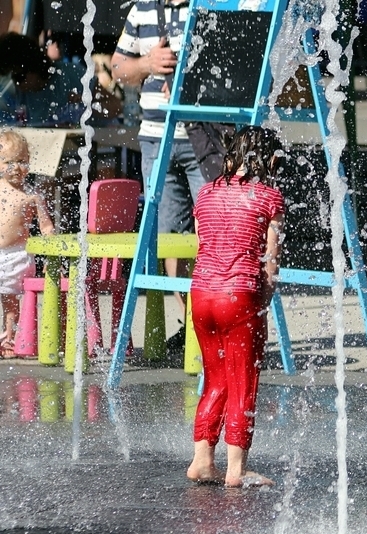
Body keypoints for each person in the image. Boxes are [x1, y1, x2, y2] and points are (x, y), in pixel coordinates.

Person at [185, 126, 284, 488]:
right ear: (270, 160)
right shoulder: (270, 197)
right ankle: (236, 470)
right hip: (239, 296)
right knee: (243, 382)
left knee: (215, 378)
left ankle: (201, 461)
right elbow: (270, 259)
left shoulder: (206, 193)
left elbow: (203, 243)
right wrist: (265, 296)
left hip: (201, 294)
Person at [111, 0, 199, 349]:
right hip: (154, 139)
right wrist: (147, 63)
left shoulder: (210, 6)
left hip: (205, 138)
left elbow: (240, 64)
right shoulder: (142, 9)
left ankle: (215, 323)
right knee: (169, 236)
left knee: (218, 231)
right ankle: (195, 326)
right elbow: (118, 68)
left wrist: (188, 81)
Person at [0, 129, 54, 357]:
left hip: (17, 256)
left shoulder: (31, 196)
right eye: (8, 162)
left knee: (10, 301)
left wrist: (52, 253)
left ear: (29, 162)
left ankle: (10, 339)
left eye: (21, 162)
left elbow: (46, 228)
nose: (15, 168)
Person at [0, 32, 121, 127]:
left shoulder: (72, 75)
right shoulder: (14, 94)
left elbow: (115, 107)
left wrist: (87, 104)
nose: (16, 84)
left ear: (33, 65)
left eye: (19, 77)